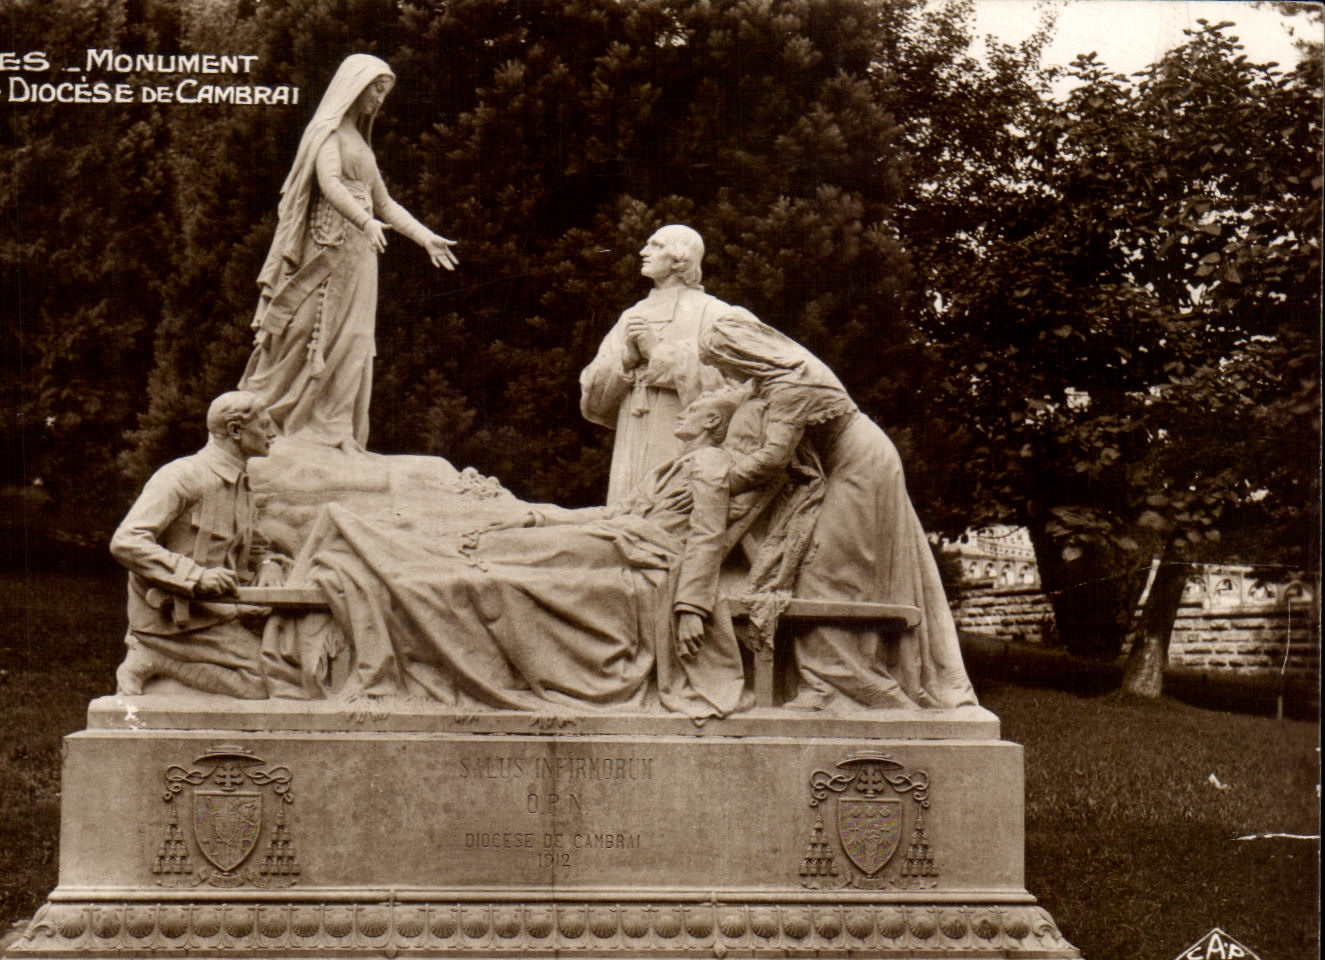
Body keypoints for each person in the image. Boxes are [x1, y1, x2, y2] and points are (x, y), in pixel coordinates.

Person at [296, 388, 758, 719]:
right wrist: (536, 514)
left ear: (712, 424)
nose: (685, 409)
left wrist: (691, 607)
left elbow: (706, 537)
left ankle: (392, 555)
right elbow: (610, 512)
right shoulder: (673, 467)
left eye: (694, 408)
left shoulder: (710, 465)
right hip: (615, 538)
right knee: (510, 537)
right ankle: (388, 550)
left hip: (638, 554)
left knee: (502, 552)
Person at [698, 308, 977, 711]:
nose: (726, 375)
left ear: (742, 354)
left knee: (826, 570)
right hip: (847, 464)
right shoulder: (779, 375)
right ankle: (830, 682)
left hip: (860, 467)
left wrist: (714, 482)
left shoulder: (792, 383)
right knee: (826, 566)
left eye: (724, 364)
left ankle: (838, 686)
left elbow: (772, 460)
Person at [239, 54, 458, 450]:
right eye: (376, 88)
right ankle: (269, 416)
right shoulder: (328, 133)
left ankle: (332, 429)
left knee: (354, 338)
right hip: (327, 246)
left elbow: (386, 203)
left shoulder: (361, 142)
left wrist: (425, 237)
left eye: (384, 91)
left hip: (361, 255)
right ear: (354, 85)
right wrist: (365, 220)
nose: (379, 98)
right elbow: (332, 183)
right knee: (301, 328)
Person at [111, 392, 281, 698]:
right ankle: (154, 657)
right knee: (271, 679)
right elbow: (127, 542)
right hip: (173, 621)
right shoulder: (182, 476)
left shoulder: (240, 481)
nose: (273, 433)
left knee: (290, 661)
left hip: (219, 613)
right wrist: (196, 576)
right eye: (266, 425)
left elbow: (253, 542)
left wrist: (267, 564)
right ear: (235, 431)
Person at [580, 224, 728, 504]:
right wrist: (625, 360)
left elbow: (732, 384)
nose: (643, 252)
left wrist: (658, 353)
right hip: (631, 434)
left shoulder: (714, 312)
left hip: (678, 436)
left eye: (655, 245)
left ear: (679, 258)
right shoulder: (632, 315)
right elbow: (594, 398)